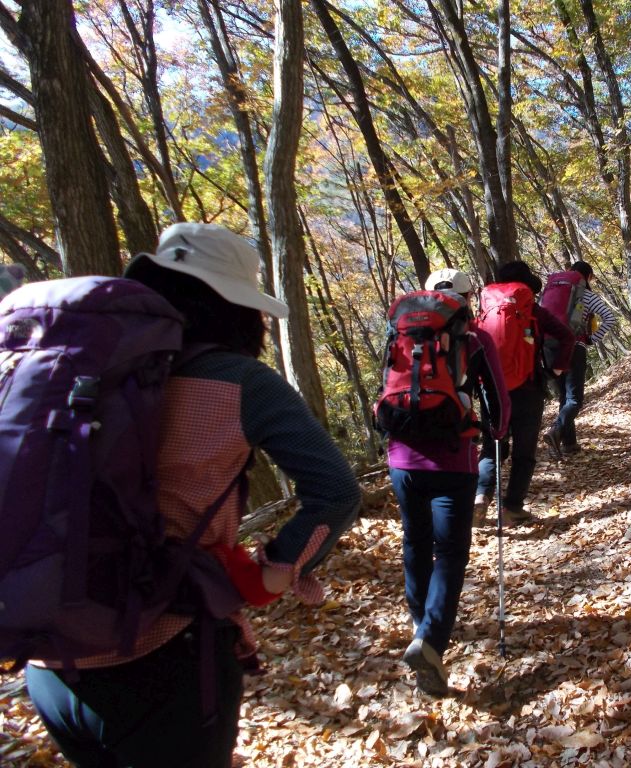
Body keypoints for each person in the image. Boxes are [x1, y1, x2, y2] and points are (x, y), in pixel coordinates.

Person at [24, 222, 362, 768]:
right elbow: (336, 491)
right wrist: (277, 568)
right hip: (164, 652)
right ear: (237, 307)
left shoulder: (73, 372)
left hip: (47, 658)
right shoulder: (240, 382)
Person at [385, 268, 509, 697]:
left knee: (415, 544)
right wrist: (497, 434)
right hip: (453, 461)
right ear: (464, 299)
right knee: (451, 551)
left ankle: (423, 626)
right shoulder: (474, 339)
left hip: (401, 460)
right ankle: (431, 641)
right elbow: (499, 400)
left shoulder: (400, 333)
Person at [475, 261, 574, 526]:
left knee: (491, 447)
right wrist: (556, 370)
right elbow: (567, 336)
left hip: (491, 389)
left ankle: (481, 497)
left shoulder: (485, 308)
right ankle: (512, 508)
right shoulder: (533, 310)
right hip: (528, 388)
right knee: (524, 450)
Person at [544, 260, 617, 457]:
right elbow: (610, 318)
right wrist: (593, 339)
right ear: (587, 276)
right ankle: (555, 429)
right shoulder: (586, 295)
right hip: (575, 347)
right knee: (574, 400)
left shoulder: (551, 291)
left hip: (549, 348)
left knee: (564, 398)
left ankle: (569, 444)